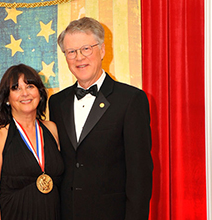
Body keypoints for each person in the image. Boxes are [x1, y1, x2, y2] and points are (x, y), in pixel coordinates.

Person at [48, 17, 153, 220]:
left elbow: (139, 174)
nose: (79, 57)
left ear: (102, 50)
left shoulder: (131, 100)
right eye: (71, 52)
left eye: (86, 48)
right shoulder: (56, 102)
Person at [0, 64, 64, 220]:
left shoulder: (52, 129)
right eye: (16, 88)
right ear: (6, 98)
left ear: (39, 92)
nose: (25, 93)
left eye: (30, 86)